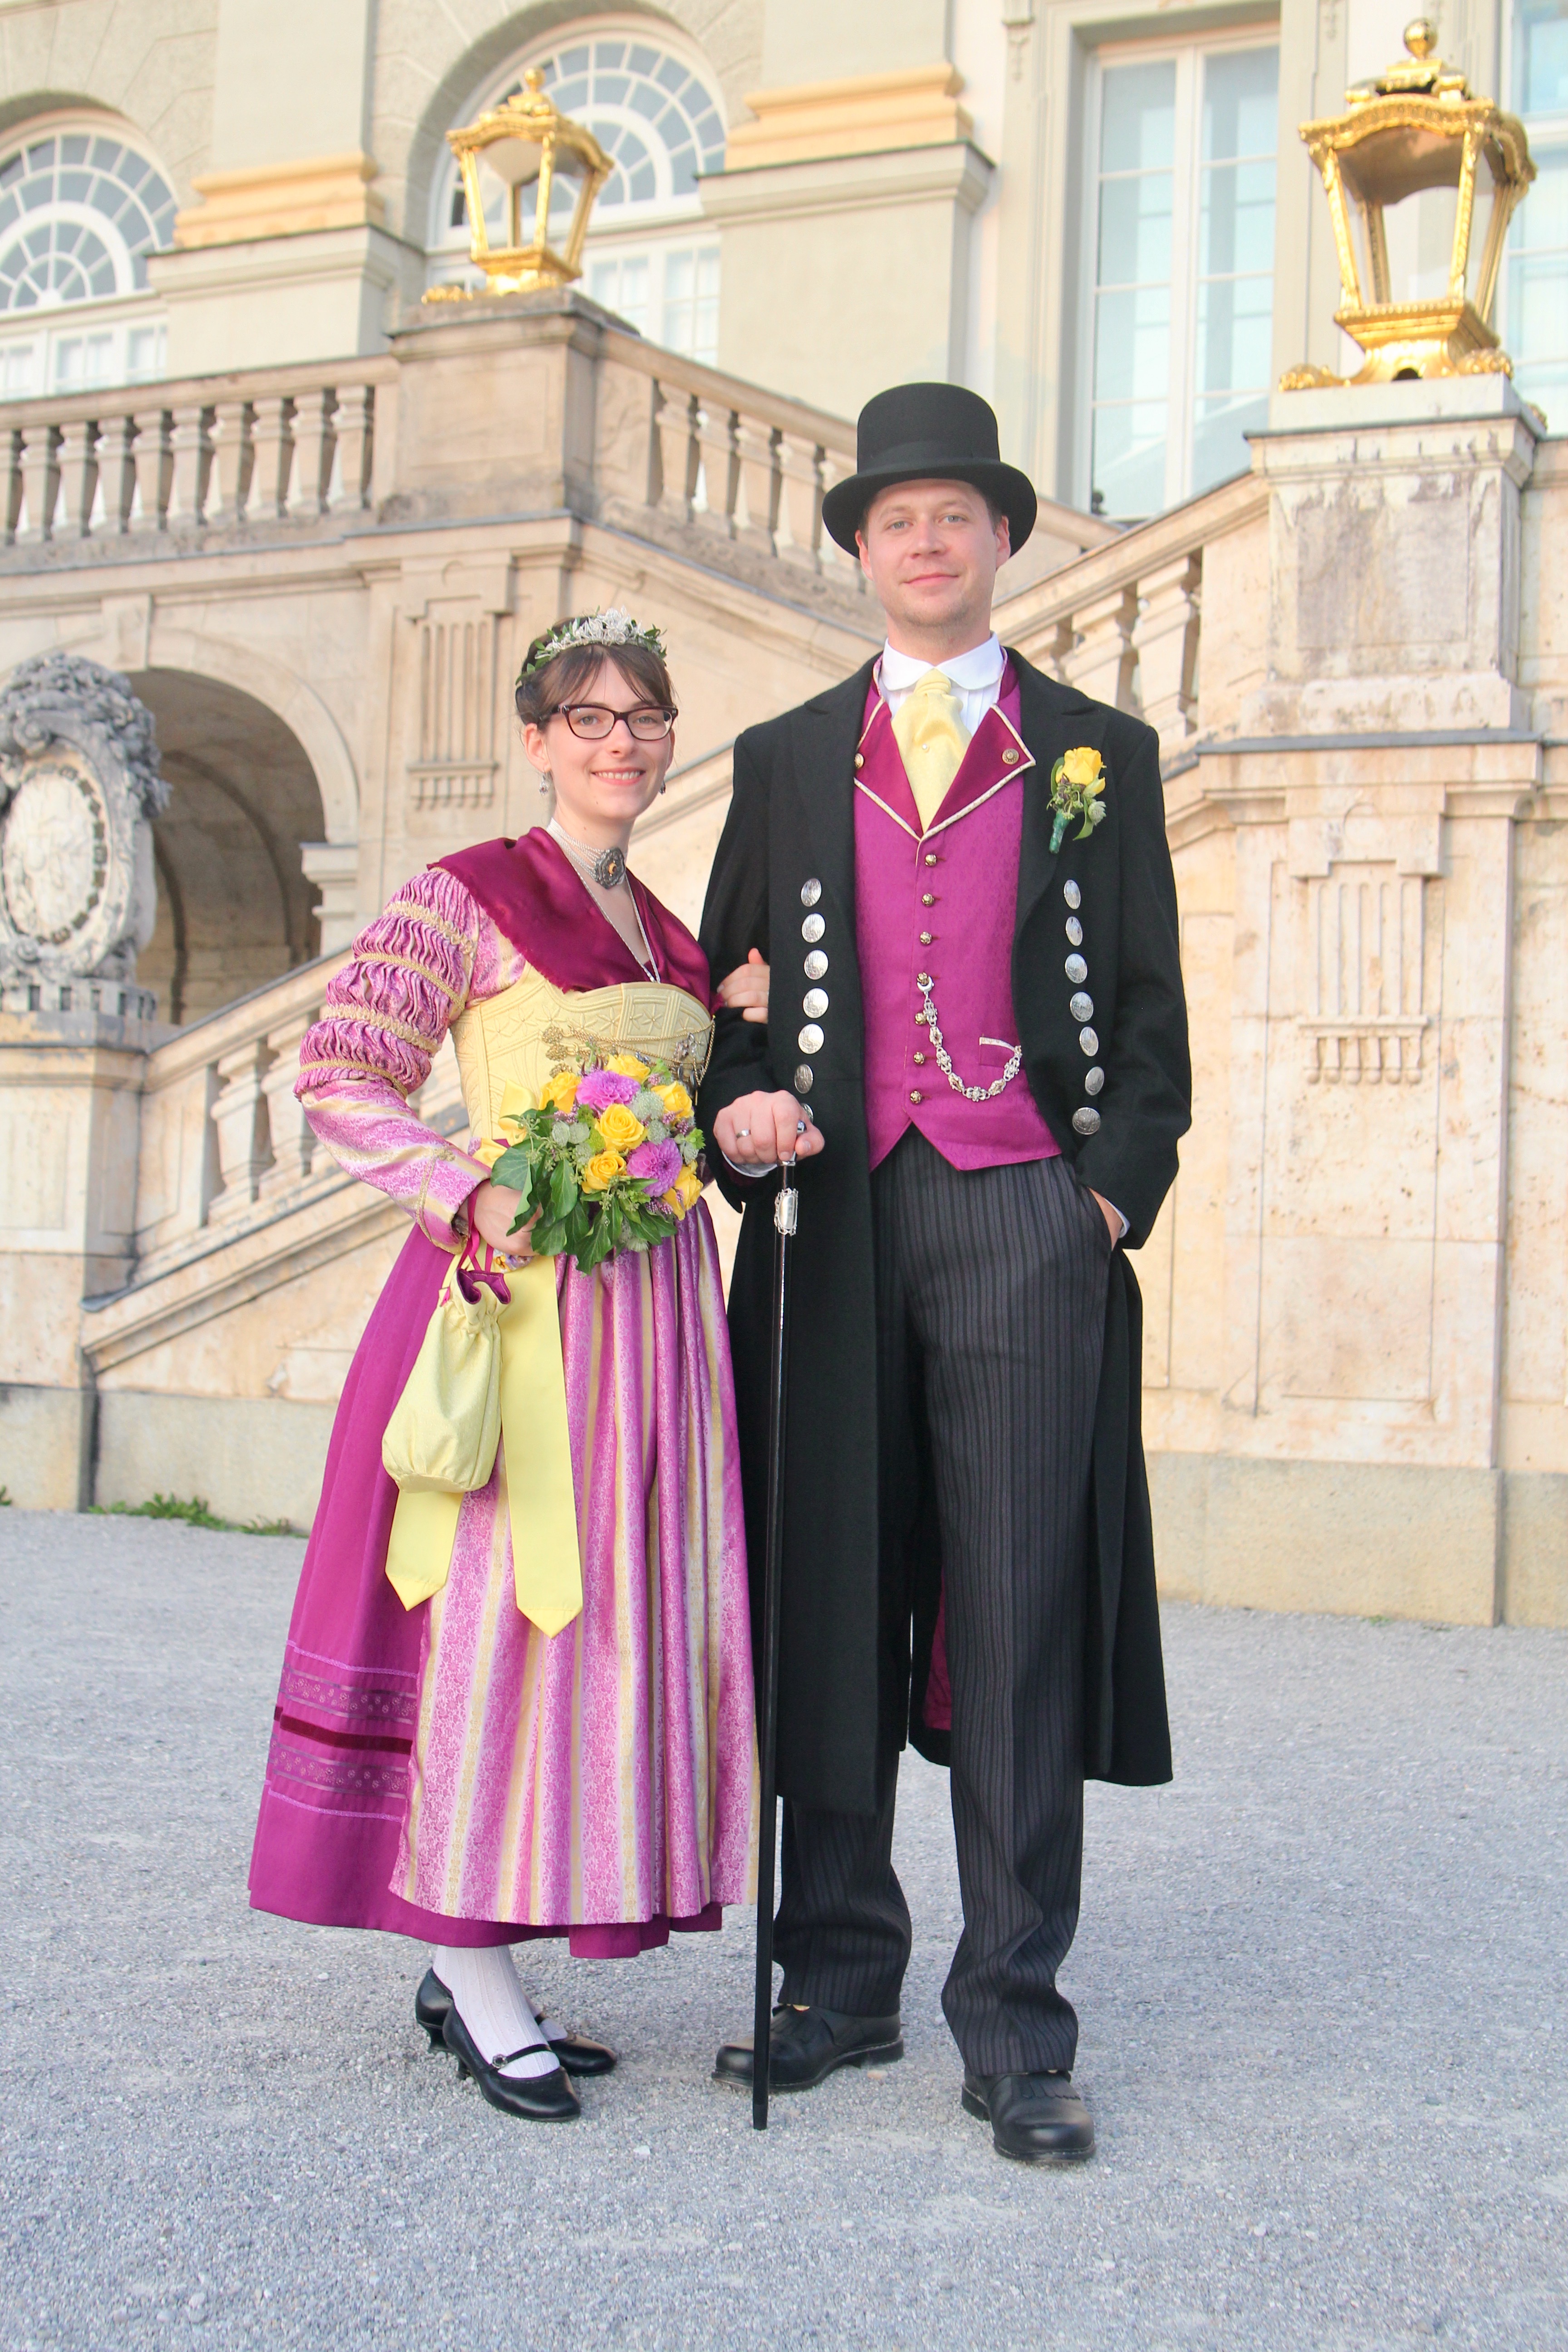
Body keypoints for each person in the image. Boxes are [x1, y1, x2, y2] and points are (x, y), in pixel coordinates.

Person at [697, 384, 1191, 2162]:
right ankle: (837, 1977)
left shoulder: (1096, 752)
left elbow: (1152, 1013)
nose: (925, 540)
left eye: (953, 515)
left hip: (1023, 1220)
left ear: (1000, 541)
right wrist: (740, 1109)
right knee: (829, 1590)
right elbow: (723, 1010)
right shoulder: (781, 757)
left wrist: (1104, 1201)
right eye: (895, 517)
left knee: (1018, 1617)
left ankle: (1017, 2026)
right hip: (832, 1220)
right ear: (861, 550)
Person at [250, 611, 764, 2122]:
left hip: (656, 1325)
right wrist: (467, 1190)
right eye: (588, 718)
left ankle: (492, 1938)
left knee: (602, 1625)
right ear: (536, 741)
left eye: (644, 718)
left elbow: (688, 1115)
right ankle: (469, 1963)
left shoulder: (665, 932)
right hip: (522, 1308)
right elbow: (341, 1069)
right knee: (498, 1618)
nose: (621, 743)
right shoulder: (465, 896)